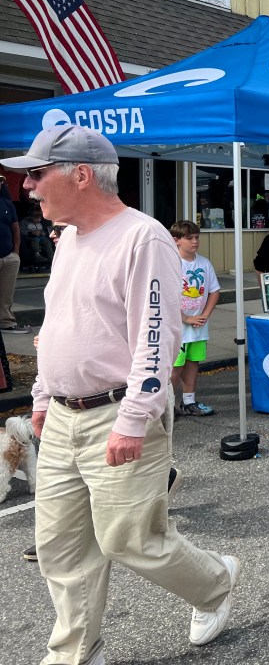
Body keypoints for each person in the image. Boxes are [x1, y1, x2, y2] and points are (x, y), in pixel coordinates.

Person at [9, 125, 240, 661]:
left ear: (81, 175)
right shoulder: (68, 240)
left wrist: (134, 418)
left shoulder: (143, 237)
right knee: (61, 548)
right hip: (64, 416)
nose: (30, 188)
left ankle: (215, 584)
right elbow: (58, 323)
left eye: (38, 174)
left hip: (115, 412)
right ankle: (76, 652)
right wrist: (43, 396)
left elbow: (157, 336)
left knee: (130, 540)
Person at [170, 220, 220, 417]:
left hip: (198, 326)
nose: (195, 241)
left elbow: (214, 291)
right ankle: (168, 406)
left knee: (193, 364)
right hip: (177, 328)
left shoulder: (204, 263)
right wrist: (184, 318)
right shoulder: (171, 263)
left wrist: (205, 315)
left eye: (197, 237)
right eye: (189, 238)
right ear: (176, 241)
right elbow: (165, 295)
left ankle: (188, 401)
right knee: (175, 368)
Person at [0, 178, 29, 334]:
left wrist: (16, 252)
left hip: (9, 256)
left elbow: (15, 229)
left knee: (6, 294)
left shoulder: (6, 204)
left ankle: (6, 322)